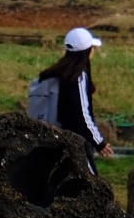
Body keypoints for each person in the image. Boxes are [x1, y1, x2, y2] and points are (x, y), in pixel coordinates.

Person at [38, 26, 113, 169]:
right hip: (75, 143)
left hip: (52, 139)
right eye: (92, 48)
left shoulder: (57, 72)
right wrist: (100, 143)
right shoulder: (78, 76)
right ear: (86, 51)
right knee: (91, 187)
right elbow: (83, 115)